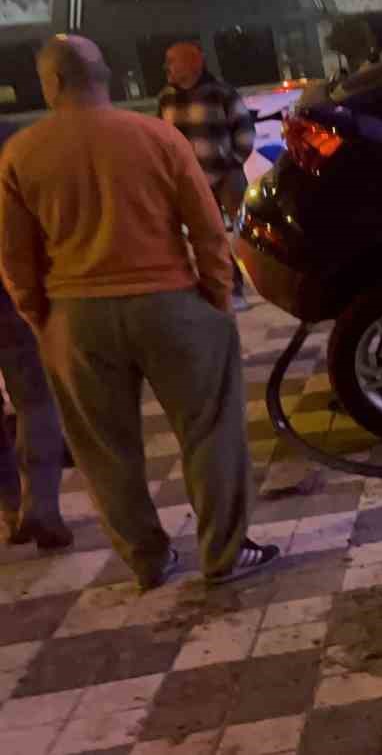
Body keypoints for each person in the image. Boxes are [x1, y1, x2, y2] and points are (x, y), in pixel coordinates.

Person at [0, 35, 279, 590]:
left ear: (50, 84)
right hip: (171, 304)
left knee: (105, 449)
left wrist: (41, 319)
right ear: (104, 76)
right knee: (210, 429)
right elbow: (206, 229)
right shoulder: (157, 137)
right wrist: (216, 301)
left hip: (75, 315)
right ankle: (223, 553)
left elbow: (15, 258)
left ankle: (148, 559)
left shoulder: (21, 154)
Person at [0, 120, 72, 552]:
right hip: (12, 294)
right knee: (36, 400)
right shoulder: (17, 143)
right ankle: (40, 505)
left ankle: (11, 510)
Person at [157, 42, 254, 311]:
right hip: (190, 181)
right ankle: (224, 288)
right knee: (207, 237)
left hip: (226, 176)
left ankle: (252, 282)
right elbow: (163, 139)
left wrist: (232, 163)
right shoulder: (166, 97)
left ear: (193, 63)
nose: (167, 67)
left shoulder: (221, 93)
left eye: (171, 61)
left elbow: (244, 132)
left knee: (241, 232)